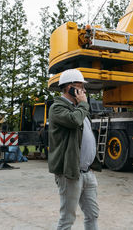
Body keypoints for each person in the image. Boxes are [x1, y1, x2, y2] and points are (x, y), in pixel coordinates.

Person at [48, 68, 102, 230]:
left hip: (87, 172)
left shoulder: (80, 108)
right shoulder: (57, 108)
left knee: (93, 214)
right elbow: (74, 121)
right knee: (67, 218)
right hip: (70, 173)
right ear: (69, 87)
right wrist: (84, 104)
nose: (84, 91)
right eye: (81, 86)